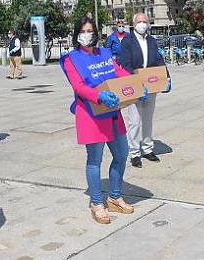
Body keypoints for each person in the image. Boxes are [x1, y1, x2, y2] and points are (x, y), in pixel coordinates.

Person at [60, 17, 146, 224]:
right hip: (91, 114)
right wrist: (98, 96)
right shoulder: (72, 59)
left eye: (90, 30)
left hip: (113, 114)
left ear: (96, 33)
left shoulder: (105, 54)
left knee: (121, 154)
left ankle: (115, 196)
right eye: (83, 31)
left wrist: (137, 86)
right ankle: (97, 203)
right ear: (77, 34)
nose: (87, 34)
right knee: (94, 160)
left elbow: (120, 73)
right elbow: (78, 86)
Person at [118, 13, 171, 168]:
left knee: (148, 118)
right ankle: (134, 152)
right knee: (135, 120)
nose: (142, 24)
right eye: (139, 21)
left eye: (145, 21)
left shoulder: (151, 41)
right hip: (135, 84)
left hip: (151, 84)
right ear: (134, 24)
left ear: (149, 24)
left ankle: (147, 149)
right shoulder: (127, 41)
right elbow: (125, 63)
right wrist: (135, 81)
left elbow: (158, 59)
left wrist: (166, 77)